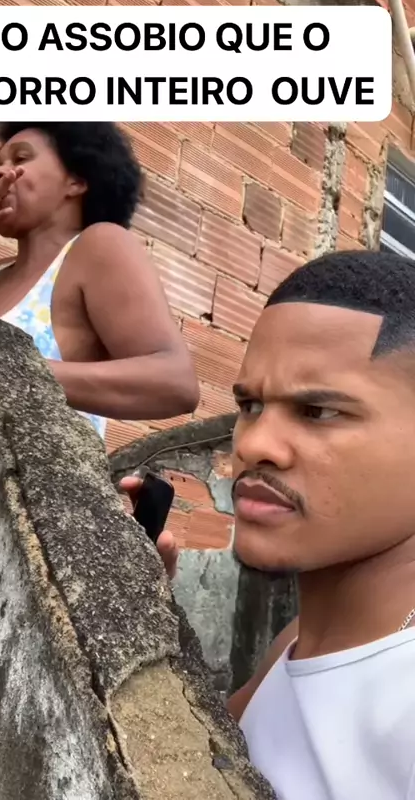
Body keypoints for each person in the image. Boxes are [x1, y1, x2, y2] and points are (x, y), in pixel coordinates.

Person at [122, 249, 415, 800]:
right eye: (251, 405)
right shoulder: (296, 643)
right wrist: (143, 613)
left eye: (318, 412)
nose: (254, 445)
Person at [0, 122, 199, 437]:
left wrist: (8, 361)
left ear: (76, 180)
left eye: (20, 159)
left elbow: (175, 383)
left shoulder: (99, 246)